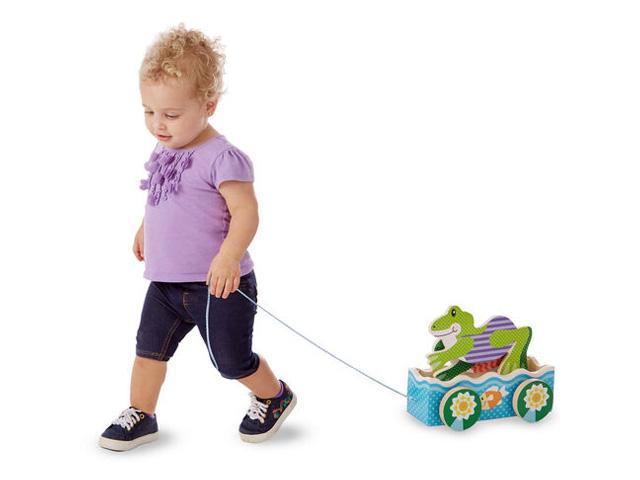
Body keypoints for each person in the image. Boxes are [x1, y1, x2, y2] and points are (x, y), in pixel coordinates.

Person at [99, 23, 296, 451]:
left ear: (208, 105)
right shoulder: (166, 146)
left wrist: (229, 256)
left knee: (231, 362)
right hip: (166, 283)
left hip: (218, 284)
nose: (158, 124)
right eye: (149, 111)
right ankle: (142, 413)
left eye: (171, 114)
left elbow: (246, 213)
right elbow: (163, 194)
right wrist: (146, 226)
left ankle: (274, 395)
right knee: (148, 350)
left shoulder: (222, 157)